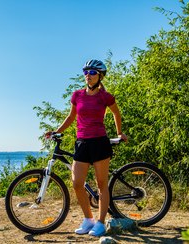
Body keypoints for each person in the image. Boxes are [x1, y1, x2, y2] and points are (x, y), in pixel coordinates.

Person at [45, 59, 128, 237]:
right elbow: (71, 117)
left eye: (92, 73)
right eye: (86, 72)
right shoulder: (77, 95)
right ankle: (88, 218)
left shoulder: (105, 97)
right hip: (82, 143)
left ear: (100, 76)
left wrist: (120, 132)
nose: (87, 76)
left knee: (101, 184)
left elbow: (116, 113)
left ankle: (100, 222)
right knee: (76, 183)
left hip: (100, 143)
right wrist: (57, 131)